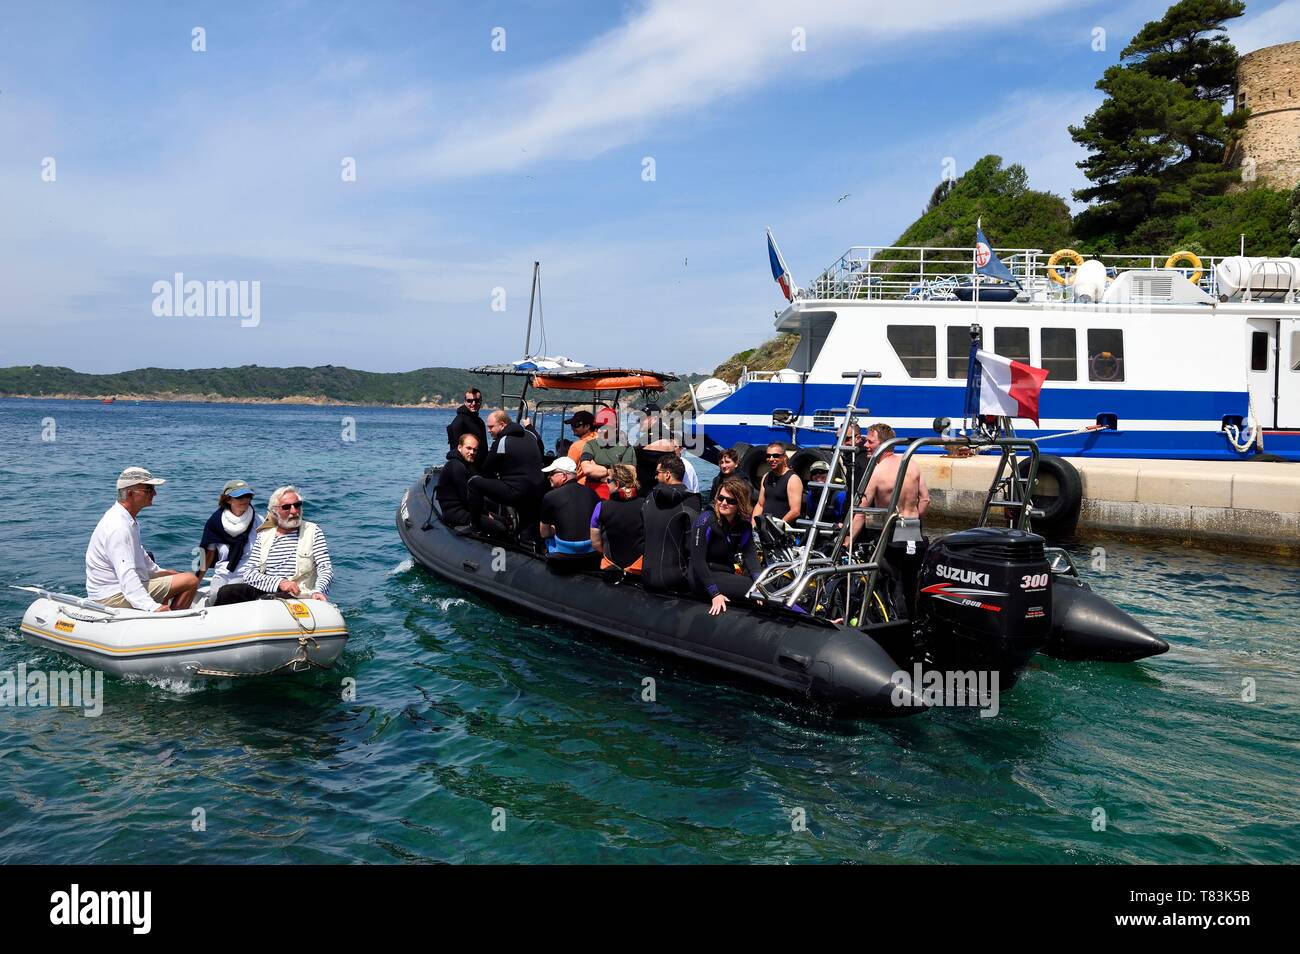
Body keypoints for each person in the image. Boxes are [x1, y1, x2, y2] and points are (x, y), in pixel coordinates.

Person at [85, 467, 199, 612]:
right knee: (190, 580)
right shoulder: (119, 526)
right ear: (131, 493)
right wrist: (152, 607)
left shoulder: (126, 519)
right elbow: (126, 574)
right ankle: (170, 623)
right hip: (111, 595)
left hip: (109, 590)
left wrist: (161, 572)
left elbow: (141, 555)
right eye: (149, 489)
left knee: (176, 576)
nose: (155, 493)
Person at [847, 423, 930, 618]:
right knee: (911, 583)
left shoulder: (876, 472)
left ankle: (893, 623)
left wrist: (846, 542)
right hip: (913, 532)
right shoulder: (911, 464)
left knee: (890, 584)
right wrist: (913, 523)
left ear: (883, 444)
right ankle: (915, 622)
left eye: (870, 442)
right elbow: (925, 499)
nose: (866, 445)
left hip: (891, 534)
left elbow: (860, 512)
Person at [213, 485, 334, 605]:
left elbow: (325, 568)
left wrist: (319, 591)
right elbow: (249, 573)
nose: (294, 511)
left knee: (270, 600)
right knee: (226, 592)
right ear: (275, 512)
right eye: (286, 507)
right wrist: (279, 582)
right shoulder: (264, 536)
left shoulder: (313, 531)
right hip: (267, 589)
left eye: (297, 505)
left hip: (297, 594)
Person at [689, 476, 762, 616]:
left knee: (766, 586)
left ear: (740, 504)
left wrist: (760, 584)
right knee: (750, 588)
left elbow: (751, 557)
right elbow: (697, 561)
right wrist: (715, 593)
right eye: (720, 498)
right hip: (703, 576)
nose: (723, 503)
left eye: (730, 501)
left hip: (725, 573)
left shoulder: (743, 525)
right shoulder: (705, 520)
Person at [467, 409, 546, 533]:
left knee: (474, 483)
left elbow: (487, 471)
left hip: (516, 492)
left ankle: (475, 526)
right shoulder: (530, 435)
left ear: (503, 425)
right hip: (538, 491)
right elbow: (541, 449)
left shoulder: (501, 442)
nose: (489, 431)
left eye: (491, 427)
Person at [640, 456, 702, 592]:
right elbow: (693, 545)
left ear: (667, 474)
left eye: (657, 473)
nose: (655, 477)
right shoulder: (691, 501)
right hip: (677, 579)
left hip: (647, 576)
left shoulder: (649, 498)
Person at [197, 479, 260, 601]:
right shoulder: (215, 523)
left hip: (248, 574)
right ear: (227, 499)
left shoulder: (259, 522)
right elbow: (207, 554)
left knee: (229, 593)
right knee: (214, 596)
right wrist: (196, 580)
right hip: (222, 573)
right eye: (240, 497)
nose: (245, 500)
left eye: (248, 496)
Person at [589, 463, 644, 574]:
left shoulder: (601, 507)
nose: (606, 483)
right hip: (638, 566)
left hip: (611, 565)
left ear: (617, 484)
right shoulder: (645, 504)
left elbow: (595, 543)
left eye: (608, 481)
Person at [538, 457, 598, 555]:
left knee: (548, 539)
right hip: (591, 551)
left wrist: (556, 528)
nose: (549, 477)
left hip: (565, 554)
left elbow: (544, 533)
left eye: (552, 473)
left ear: (564, 476)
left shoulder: (550, 497)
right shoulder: (592, 493)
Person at [579, 408, 635, 500]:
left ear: (615, 429)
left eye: (604, 428)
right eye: (598, 428)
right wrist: (610, 471)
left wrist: (599, 473)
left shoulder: (626, 447)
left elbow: (628, 475)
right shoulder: (591, 445)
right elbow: (587, 469)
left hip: (617, 497)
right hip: (591, 495)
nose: (600, 431)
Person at [752, 442, 803, 526]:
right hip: (766, 530)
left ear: (784, 457)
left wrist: (777, 526)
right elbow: (760, 505)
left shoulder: (792, 479)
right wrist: (753, 526)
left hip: (783, 531)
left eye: (775, 455)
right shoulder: (766, 477)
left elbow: (795, 511)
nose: (771, 459)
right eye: (768, 456)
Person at [436, 433, 480, 530]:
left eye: (475, 450)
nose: (472, 452)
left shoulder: (467, 465)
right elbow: (466, 496)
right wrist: (485, 513)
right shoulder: (457, 466)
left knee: (499, 519)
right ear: (460, 447)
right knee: (499, 526)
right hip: (455, 513)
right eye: (468, 448)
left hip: (464, 510)